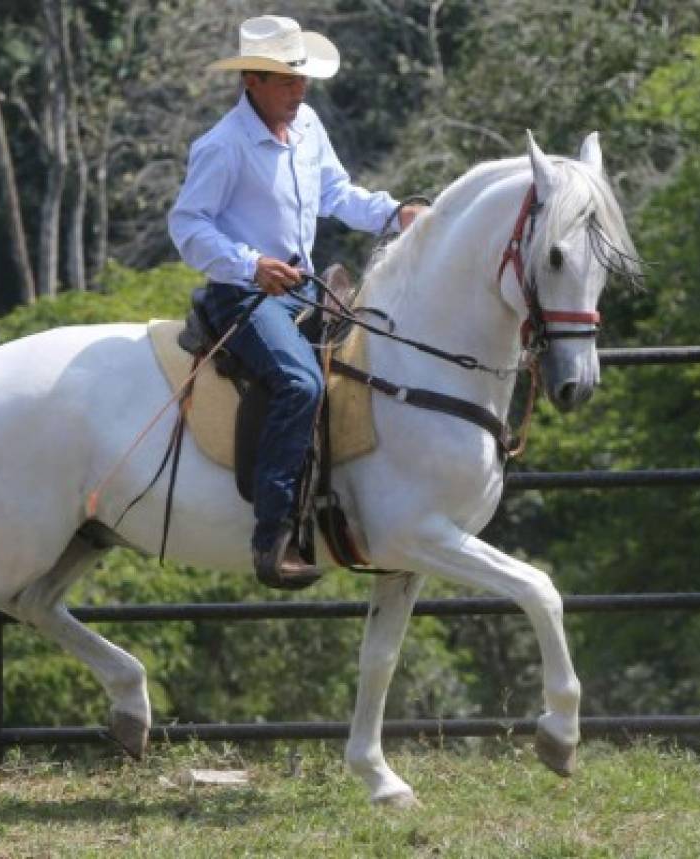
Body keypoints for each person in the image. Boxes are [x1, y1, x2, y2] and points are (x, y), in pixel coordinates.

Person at [168, 14, 424, 587]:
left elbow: (336, 192)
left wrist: (394, 214)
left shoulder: (306, 124)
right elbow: (187, 225)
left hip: (305, 289)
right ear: (252, 81)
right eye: (287, 79)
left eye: (301, 78)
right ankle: (272, 534)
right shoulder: (223, 146)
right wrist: (249, 264)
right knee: (300, 383)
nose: (300, 88)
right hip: (244, 298)